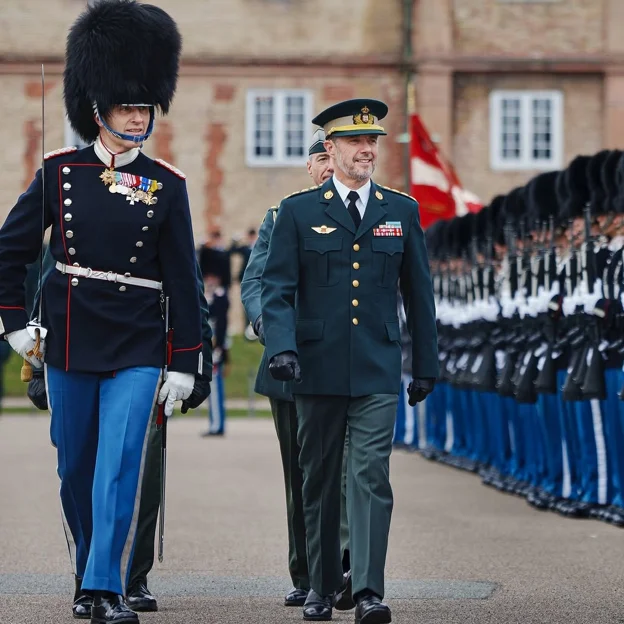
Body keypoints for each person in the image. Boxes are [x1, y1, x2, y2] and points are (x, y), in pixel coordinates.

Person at [0, 2, 202, 623]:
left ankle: (105, 586)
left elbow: (184, 280)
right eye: (127, 108)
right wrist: (13, 325)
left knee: (119, 463)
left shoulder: (168, 185)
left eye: (145, 108)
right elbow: (8, 252)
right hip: (68, 337)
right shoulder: (59, 172)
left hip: (139, 340)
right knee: (74, 466)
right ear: (98, 110)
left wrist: (187, 361)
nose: (138, 118)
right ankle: (92, 571)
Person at [260, 99, 439, 623]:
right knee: (318, 477)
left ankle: (367, 591)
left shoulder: (400, 209)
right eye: (355, 142)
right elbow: (276, 290)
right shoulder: (297, 212)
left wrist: (424, 363)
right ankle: (319, 586)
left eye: (373, 142)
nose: (367, 150)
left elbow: (419, 294)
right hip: (314, 367)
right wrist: (282, 348)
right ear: (330, 149)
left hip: (378, 368)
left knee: (369, 475)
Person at [242, 129, 354, 609]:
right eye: (321, 158)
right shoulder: (283, 215)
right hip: (294, 365)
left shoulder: (373, 213)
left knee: (351, 470)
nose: (329, 166)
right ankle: (307, 570)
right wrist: (273, 327)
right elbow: (257, 281)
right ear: (310, 166)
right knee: (303, 475)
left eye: (336, 156)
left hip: (349, 364)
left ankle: (348, 566)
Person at [201, 268, 230, 437]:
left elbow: (221, 325)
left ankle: (217, 424)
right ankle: (215, 422)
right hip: (210, 346)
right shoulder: (212, 297)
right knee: (212, 390)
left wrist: (219, 347)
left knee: (215, 390)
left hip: (215, 348)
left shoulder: (220, 297)